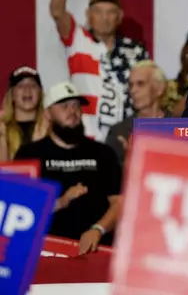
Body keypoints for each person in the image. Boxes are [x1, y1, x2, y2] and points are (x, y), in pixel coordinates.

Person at [49, 0, 149, 142]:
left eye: (110, 12)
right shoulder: (78, 40)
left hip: (125, 141)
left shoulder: (135, 50)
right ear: (88, 15)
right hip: (87, 140)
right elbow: (57, 11)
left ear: (120, 17)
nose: (104, 18)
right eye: (98, 12)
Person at [15, 82, 122, 253]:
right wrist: (60, 202)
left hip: (98, 252)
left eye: (76, 105)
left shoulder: (103, 153)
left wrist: (98, 229)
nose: (72, 111)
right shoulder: (29, 155)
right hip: (48, 252)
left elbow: (119, 203)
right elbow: (21, 210)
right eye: (64, 106)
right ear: (48, 113)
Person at [106, 61, 171, 165]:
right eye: (131, 85)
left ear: (159, 88)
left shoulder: (181, 129)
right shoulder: (119, 133)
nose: (133, 90)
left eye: (140, 84)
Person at [0, 67, 49, 160]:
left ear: (40, 93)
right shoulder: (2, 129)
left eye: (33, 85)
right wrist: (2, 139)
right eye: (21, 86)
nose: (27, 89)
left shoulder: (52, 129)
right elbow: (3, 172)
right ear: (12, 95)